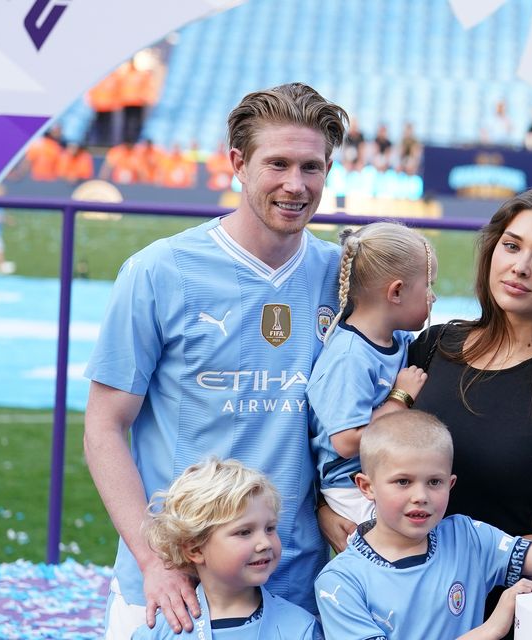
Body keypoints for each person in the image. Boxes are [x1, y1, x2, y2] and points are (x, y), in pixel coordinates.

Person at [84, 82, 348, 638]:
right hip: (173, 590)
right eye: (277, 163)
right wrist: (155, 564)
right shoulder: (158, 271)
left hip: (292, 586)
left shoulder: (341, 277)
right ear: (238, 163)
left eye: (312, 167)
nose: (295, 185)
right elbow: (104, 425)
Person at [314, 188, 532, 637]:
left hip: (496, 614)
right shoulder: (433, 346)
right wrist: (324, 506)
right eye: (512, 246)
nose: (519, 266)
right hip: (391, 610)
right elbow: (353, 432)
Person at [314, 411, 532, 640]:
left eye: (433, 482)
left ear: (450, 485)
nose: (420, 496)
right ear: (366, 487)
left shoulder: (468, 537)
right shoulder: (340, 582)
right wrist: (494, 625)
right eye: (402, 482)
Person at [308, 222, 436, 526]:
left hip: (381, 480)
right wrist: (398, 399)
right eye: (428, 286)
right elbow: (347, 441)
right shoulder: (349, 357)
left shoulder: (398, 340)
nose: (433, 298)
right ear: (397, 291)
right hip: (351, 488)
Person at [134, 458, 319, 639]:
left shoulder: (300, 628)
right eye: (245, 532)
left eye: (270, 528)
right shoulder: (158, 633)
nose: (265, 543)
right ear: (195, 550)